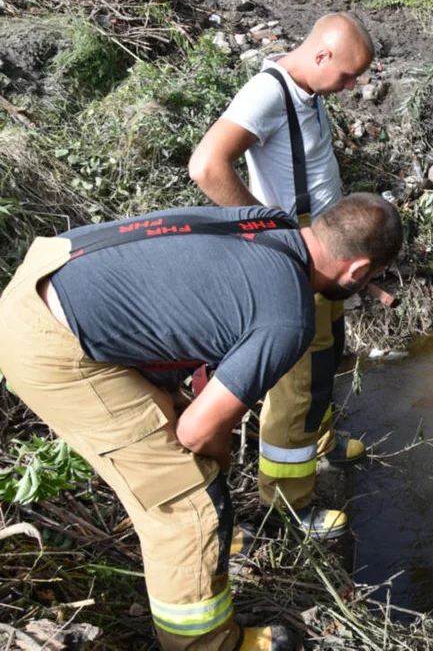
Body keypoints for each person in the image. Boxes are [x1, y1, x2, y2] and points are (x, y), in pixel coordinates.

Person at [0, 194, 402, 650]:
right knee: (190, 505)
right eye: (372, 276)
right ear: (357, 271)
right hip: (50, 344)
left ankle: (213, 553)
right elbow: (195, 432)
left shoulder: (264, 222)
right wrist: (218, 465)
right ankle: (206, 644)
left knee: (186, 452)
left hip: (53, 268)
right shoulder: (288, 318)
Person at [189, 12, 376, 539]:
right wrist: (275, 236)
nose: (352, 86)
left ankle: (319, 443)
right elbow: (207, 166)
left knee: (325, 358)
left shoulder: (309, 89)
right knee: (296, 383)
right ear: (321, 56)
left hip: (326, 243)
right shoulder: (267, 93)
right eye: (347, 75)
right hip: (299, 247)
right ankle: (289, 505)